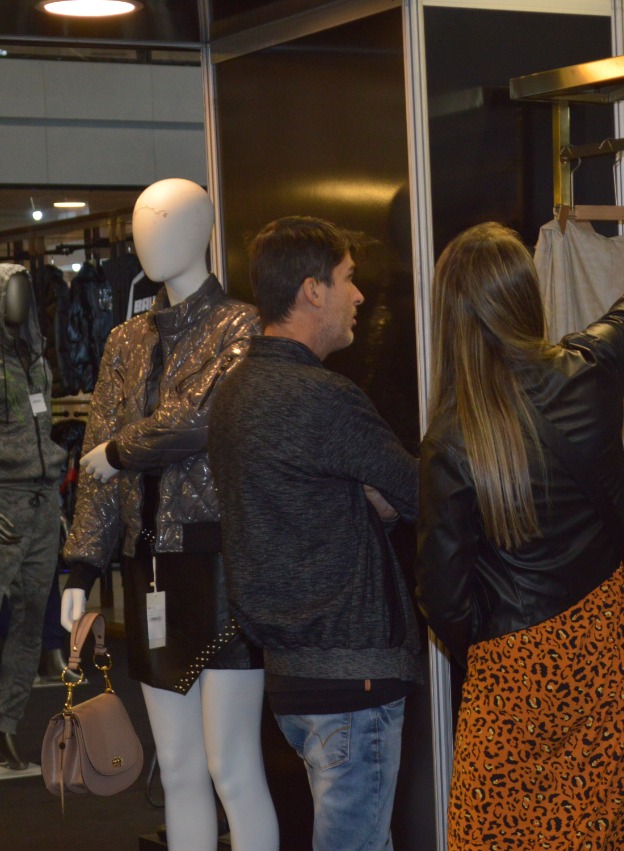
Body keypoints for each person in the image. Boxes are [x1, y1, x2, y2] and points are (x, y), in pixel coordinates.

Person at [417, 219, 624, 849]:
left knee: (505, 832)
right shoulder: (591, 365)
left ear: (450, 314)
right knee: (621, 826)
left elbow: (442, 597)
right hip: (611, 639)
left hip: (516, 671)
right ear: (526, 294)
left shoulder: (450, 440)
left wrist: (497, 647)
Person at [60, 179, 278, 850]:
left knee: (231, 766)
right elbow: (95, 458)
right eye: (141, 224)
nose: (148, 237)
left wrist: (118, 452)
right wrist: (80, 566)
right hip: (148, 565)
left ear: (203, 229)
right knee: (179, 766)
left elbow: (199, 417)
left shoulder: (241, 326)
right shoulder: (125, 341)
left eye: (164, 221)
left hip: (219, 564)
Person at [208, 216, 419, 851]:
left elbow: (300, 504)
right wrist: (375, 502)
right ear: (312, 290)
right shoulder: (323, 397)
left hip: (291, 677)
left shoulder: (234, 392)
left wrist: (363, 503)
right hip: (352, 675)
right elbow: (420, 493)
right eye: (348, 279)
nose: (359, 295)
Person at [0, 263, 66, 770]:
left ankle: (7, 723)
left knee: (28, 624)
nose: (19, 303)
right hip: (5, 505)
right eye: (11, 293)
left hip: (43, 506)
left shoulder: (36, 359)